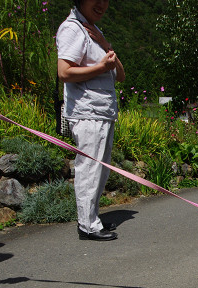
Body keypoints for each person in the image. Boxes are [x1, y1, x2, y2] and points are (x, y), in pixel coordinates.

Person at [56, 0, 125, 241]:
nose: (102, 4)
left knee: (99, 170)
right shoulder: (73, 28)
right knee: (89, 169)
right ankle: (87, 225)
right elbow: (64, 72)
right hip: (88, 113)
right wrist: (100, 66)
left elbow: (121, 75)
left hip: (102, 112)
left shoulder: (94, 31)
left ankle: (91, 218)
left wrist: (106, 46)